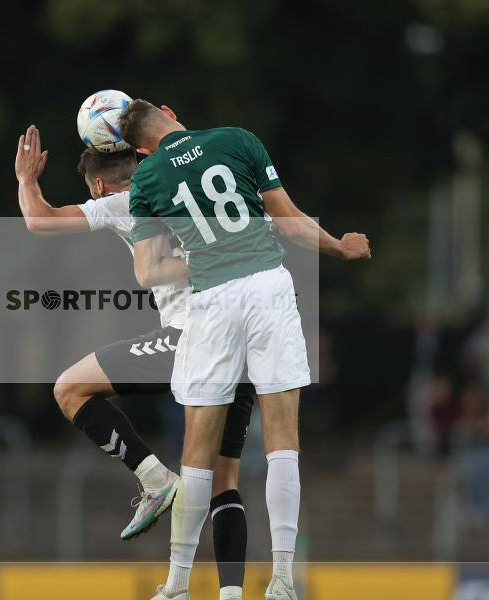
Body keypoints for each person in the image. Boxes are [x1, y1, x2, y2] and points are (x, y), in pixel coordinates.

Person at [119, 100, 370, 600]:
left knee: (197, 454)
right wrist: (341, 246)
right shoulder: (237, 138)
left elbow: (147, 273)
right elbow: (290, 221)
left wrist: (201, 257)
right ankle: (281, 581)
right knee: (282, 441)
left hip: (212, 301)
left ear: (143, 148)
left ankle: (176, 586)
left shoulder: (146, 178)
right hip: (268, 288)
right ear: (170, 112)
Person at [15, 125, 253, 599]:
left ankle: (152, 478)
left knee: (69, 388)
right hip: (244, 339)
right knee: (223, 480)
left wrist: (26, 180)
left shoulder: (124, 201)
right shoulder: (187, 182)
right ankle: (227, 594)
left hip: (193, 336)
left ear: (100, 185)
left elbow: (39, 220)